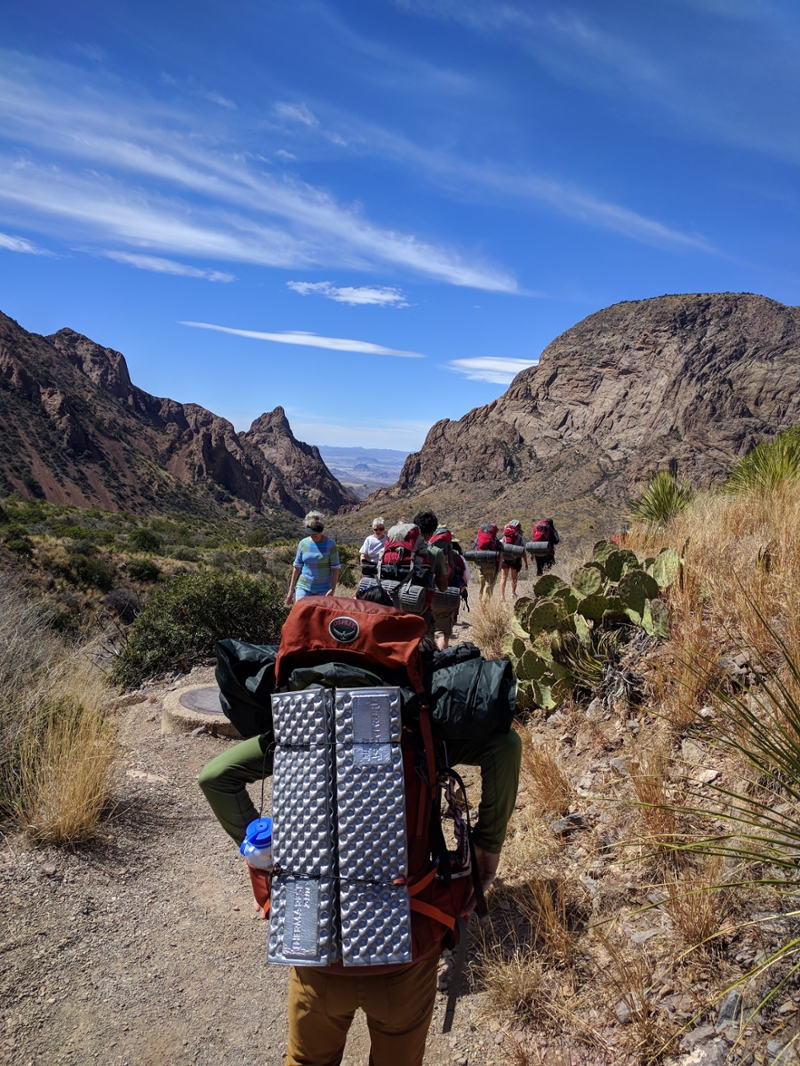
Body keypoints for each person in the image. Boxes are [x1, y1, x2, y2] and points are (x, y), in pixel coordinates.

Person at [198, 669, 521, 1066]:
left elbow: (215, 777)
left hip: (314, 948)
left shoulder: (299, 729)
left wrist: (268, 856)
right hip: (408, 948)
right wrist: (488, 849)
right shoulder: (418, 723)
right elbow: (504, 745)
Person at [285, 511, 340, 603]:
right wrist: (291, 591)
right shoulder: (303, 543)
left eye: (315, 532)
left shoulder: (331, 544)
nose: (313, 535)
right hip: (304, 587)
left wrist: (332, 589)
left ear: (321, 530)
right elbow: (297, 567)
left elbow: (335, 568)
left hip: (324, 589)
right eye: (310, 532)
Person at [413, 510, 449, 646]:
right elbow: (443, 587)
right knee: (424, 644)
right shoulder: (435, 553)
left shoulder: (398, 548)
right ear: (431, 533)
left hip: (395, 603)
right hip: (421, 607)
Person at [499, 519, 528, 601]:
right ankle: (513, 594)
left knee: (503, 577)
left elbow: (500, 546)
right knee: (514, 578)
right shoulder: (519, 536)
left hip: (505, 558)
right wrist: (526, 562)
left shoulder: (505, 535)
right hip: (516, 559)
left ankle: (502, 596)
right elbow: (523, 551)